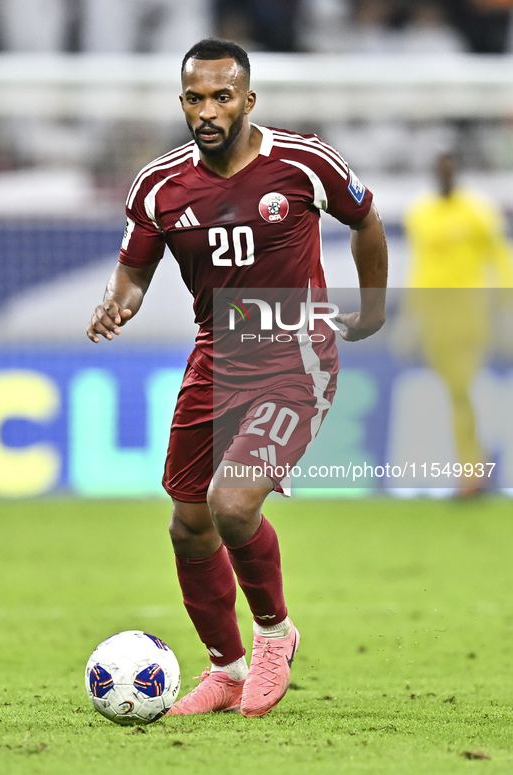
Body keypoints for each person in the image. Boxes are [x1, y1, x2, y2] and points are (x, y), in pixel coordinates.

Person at [87, 38, 387, 718]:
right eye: (194, 97)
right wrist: (120, 302)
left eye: (222, 96)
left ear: (248, 101)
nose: (207, 109)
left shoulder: (304, 162)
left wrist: (371, 308)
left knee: (231, 503)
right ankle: (224, 669)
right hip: (215, 355)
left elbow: (365, 217)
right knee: (188, 524)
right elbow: (135, 269)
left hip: (293, 354)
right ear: (182, 102)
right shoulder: (160, 185)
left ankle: (275, 636)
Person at [403, 152, 513, 494]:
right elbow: (419, 266)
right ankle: (471, 469)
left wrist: (506, 308)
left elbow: (499, 258)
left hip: (469, 310)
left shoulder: (478, 212)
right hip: (436, 315)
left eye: (450, 169)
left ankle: (473, 472)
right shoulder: (420, 214)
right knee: (455, 392)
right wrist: (411, 316)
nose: (445, 175)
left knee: (463, 388)